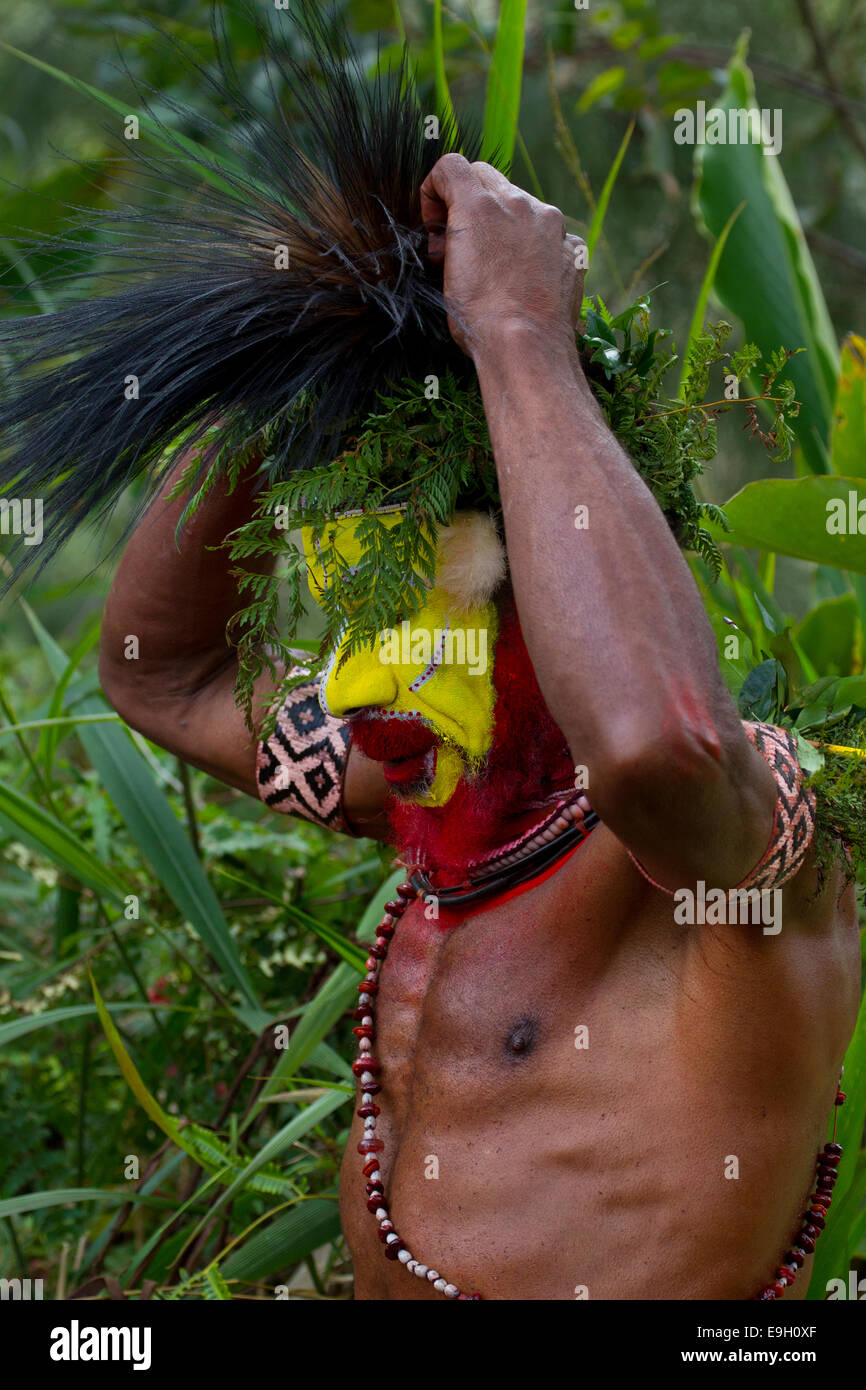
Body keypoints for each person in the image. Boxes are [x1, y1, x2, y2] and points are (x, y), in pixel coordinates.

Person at [99, 155, 860, 1301]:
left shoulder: (743, 848)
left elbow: (659, 744)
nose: (355, 689)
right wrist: (284, 344)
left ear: (562, 594)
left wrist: (517, 334)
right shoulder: (423, 778)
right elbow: (162, 676)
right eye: (357, 608)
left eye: (435, 612)